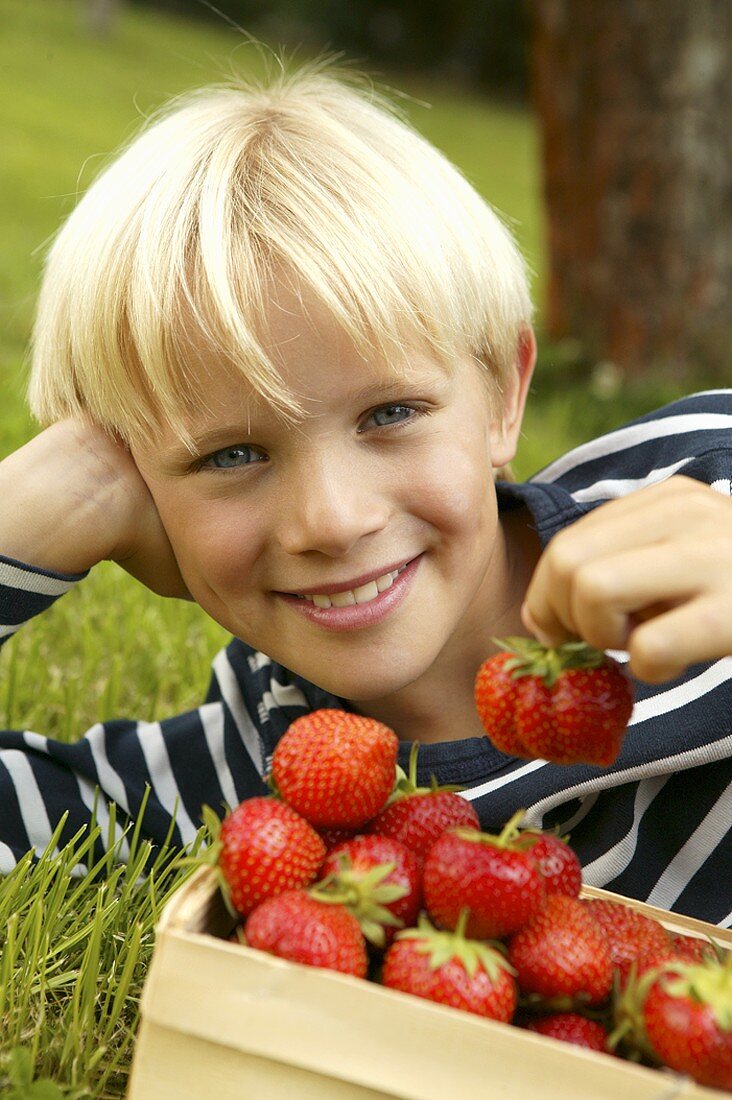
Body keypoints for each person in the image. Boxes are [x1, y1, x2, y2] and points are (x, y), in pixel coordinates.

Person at [0, 64, 730, 923]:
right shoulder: (260, 772)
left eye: (390, 412)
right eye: (232, 455)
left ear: (502, 397)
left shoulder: (699, 478)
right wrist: (31, 517)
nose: (333, 520)